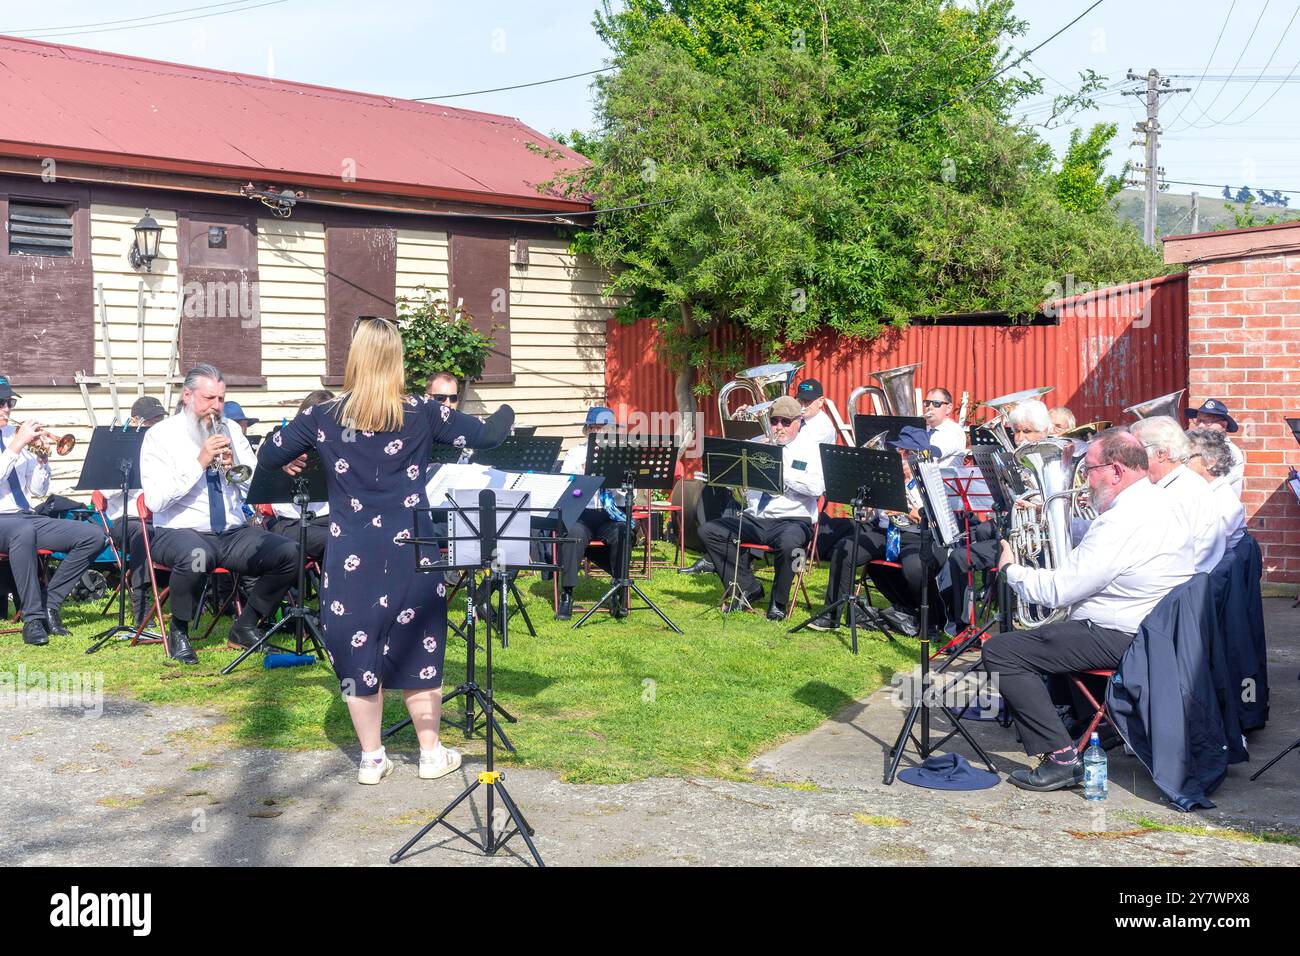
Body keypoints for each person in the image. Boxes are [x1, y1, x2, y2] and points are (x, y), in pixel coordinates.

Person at [259, 317, 513, 786]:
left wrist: (298, 456)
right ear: (396, 361)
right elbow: (489, 436)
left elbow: (269, 454)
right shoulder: (422, 411)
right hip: (410, 548)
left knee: (358, 652)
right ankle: (430, 753)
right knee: (421, 647)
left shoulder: (322, 416)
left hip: (351, 549)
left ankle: (372, 758)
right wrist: (507, 410)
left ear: (355, 358)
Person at [982, 428, 1194, 792]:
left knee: (1002, 651)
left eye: (1090, 470)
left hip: (1123, 636)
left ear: (1115, 471)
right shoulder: (1163, 502)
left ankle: (1061, 757)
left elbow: (1061, 591)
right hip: (1155, 631)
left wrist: (1011, 571)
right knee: (1056, 634)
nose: (1085, 480)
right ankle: (1099, 725)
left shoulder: (1121, 521)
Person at [140, 364, 301, 665]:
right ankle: (179, 629)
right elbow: (156, 500)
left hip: (230, 532)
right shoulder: (160, 436)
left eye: (221, 399)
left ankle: (246, 625)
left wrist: (233, 470)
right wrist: (199, 461)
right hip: (180, 531)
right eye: (208, 398)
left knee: (289, 552)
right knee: (197, 555)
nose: (216, 407)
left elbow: (256, 490)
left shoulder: (232, 431)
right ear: (187, 396)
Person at [0, 375, 107, 645]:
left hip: (25, 516)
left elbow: (37, 490)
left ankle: (50, 604)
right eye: (1, 403)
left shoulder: (13, 436)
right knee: (22, 531)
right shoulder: (15, 441)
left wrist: (41, 460)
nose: (7, 409)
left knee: (93, 535)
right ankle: (33, 619)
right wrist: (16, 446)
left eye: (9, 402)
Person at [699, 395, 824, 620]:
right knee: (710, 531)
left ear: (798, 422)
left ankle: (778, 602)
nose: (778, 427)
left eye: (785, 422)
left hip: (793, 519)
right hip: (756, 517)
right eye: (775, 421)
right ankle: (747, 588)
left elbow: (817, 488)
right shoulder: (758, 442)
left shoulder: (812, 449)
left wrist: (779, 469)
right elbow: (731, 480)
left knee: (789, 546)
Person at [807, 427, 939, 633]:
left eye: (907, 453)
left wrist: (906, 510)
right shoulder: (886, 477)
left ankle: (930, 619)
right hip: (885, 532)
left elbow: (935, 522)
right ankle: (830, 615)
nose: (901, 457)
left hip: (915, 536)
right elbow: (869, 518)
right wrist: (867, 505)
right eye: (899, 452)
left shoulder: (929, 481)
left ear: (920, 456)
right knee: (846, 548)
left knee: (915, 568)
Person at [555, 406, 632, 621]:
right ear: (588, 429)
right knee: (573, 535)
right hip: (584, 512)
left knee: (623, 533)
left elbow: (628, 492)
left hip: (611, 513)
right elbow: (566, 487)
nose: (599, 432)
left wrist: (617, 480)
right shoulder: (576, 452)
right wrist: (584, 476)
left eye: (605, 428)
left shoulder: (622, 451)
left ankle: (619, 590)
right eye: (595, 428)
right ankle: (567, 594)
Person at [100, 395, 167, 627]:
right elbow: (105, 493)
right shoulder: (118, 447)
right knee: (142, 535)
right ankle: (141, 606)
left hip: (161, 519)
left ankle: (190, 599)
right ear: (135, 421)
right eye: (151, 422)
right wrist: (129, 472)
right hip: (124, 522)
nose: (156, 426)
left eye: (160, 420)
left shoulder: (164, 449)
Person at [1131, 416, 1225, 573]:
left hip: (1181, 585)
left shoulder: (1179, 493)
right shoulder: (1182, 482)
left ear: (1161, 453)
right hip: (1186, 579)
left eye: (1136, 452)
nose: (1131, 459)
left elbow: (1145, 552)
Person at [264, 390, 335, 563]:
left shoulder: (336, 445)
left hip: (328, 519)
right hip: (290, 522)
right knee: (339, 542)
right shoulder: (285, 445)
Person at [1186, 427, 1246, 550]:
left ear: (1210, 462)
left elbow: (1203, 554)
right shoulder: (1204, 493)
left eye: (1187, 457)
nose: (1182, 463)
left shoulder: (1223, 503)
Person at [1184, 399, 1245, 496]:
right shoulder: (1195, 447)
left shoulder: (1232, 452)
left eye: (1207, 422)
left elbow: (1212, 486)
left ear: (1224, 425)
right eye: (1198, 420)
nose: (1200, 426)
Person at [922, 388, 967, 465]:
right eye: (927, 403)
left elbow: (932, 454)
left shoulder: (954, 431)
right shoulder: (924, 430)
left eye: (936, 403)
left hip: (944, 476)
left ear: (948, 408)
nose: (930, 407)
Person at [794, 378, 838, 446]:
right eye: (800, 401)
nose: (802, 405)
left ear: (820, 401)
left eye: (807, 401)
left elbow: (797, 447)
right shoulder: (800, 419)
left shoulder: (824, 428)